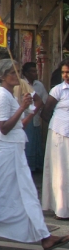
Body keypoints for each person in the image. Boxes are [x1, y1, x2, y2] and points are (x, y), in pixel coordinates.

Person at [0, 59, 69, 250]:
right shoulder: (1, 97)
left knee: (20, 193)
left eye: (18, 72)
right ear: (3, 76)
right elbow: (4, 127)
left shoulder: (10, 95)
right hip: (5, 150)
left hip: (13, 147)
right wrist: (22, 108)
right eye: (13, 73)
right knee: (1, 192)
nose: (17, 76)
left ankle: (43, 235)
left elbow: (18, 125)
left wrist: (27, 110)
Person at [42, 59, 69, 220]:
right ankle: (60, 208)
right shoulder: (57, 90)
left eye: (68, 72)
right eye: (64, 72)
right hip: (59, 133)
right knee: (60, 171)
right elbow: (46, 112)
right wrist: (58, 124)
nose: (66, 75)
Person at [22, 61, 45, 171]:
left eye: (35, 71)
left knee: (36, 145)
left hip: (36, 118)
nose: (35, 73)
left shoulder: (39, 85)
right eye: (32, 71)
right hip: (25, 118)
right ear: (26, 73)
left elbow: (43, 100)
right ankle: (28, 168)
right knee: (28, 145)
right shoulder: (22, 84)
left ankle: (36, 167)